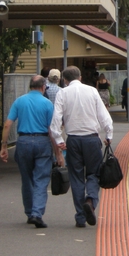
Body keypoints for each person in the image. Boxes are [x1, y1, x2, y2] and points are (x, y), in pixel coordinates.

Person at [50, 66, 113, 228]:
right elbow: (103, 115)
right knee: (94, 173)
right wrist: (109, 134)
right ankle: (90, 201)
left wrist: (58, 139)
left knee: (76, 177)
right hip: (92, 139)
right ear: (80, 77)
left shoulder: (62, 93)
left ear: (65, 80)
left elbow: (56, 118)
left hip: (73, 141)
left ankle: (80, 216)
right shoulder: (92, 91)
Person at [0, 75, 64, 228]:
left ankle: (29, 212)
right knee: (41, 180)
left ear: (30, 86)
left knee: (27, 179)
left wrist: (3, 146)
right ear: (43, 87)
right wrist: (58, 153)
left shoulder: (19, 101)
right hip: (42, 142)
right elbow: (52, 131)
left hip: (23, 142)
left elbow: (8, 124)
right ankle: (37, 213)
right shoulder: (48, 104)